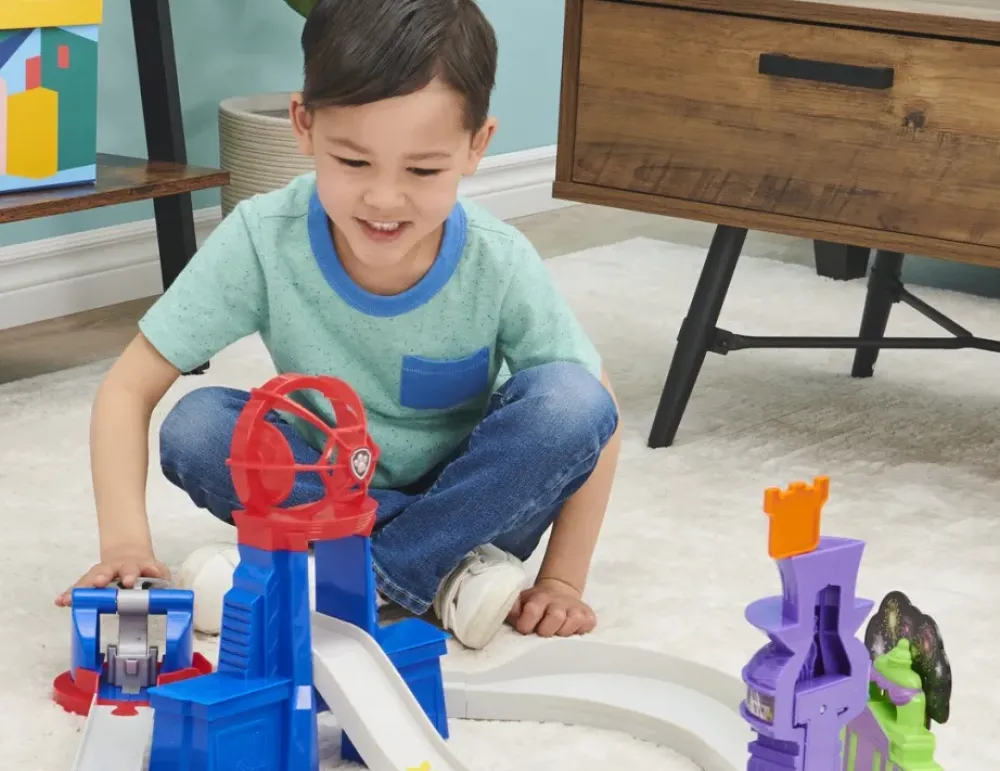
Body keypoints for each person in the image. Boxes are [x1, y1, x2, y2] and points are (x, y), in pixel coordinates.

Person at [57, 0, 620, 650]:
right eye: (353, 162)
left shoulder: (498, 258)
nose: (383, 199)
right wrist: (125, 546)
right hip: (325, 490)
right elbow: (128, 388)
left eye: (422, 170)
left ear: (476, 146)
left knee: (572, 399)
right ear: (304, 123)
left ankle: (369, 574)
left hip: (478, 505)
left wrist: (563, 581)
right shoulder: (263, 237)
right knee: (199, 426)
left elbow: (593, 413)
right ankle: (444, 572)